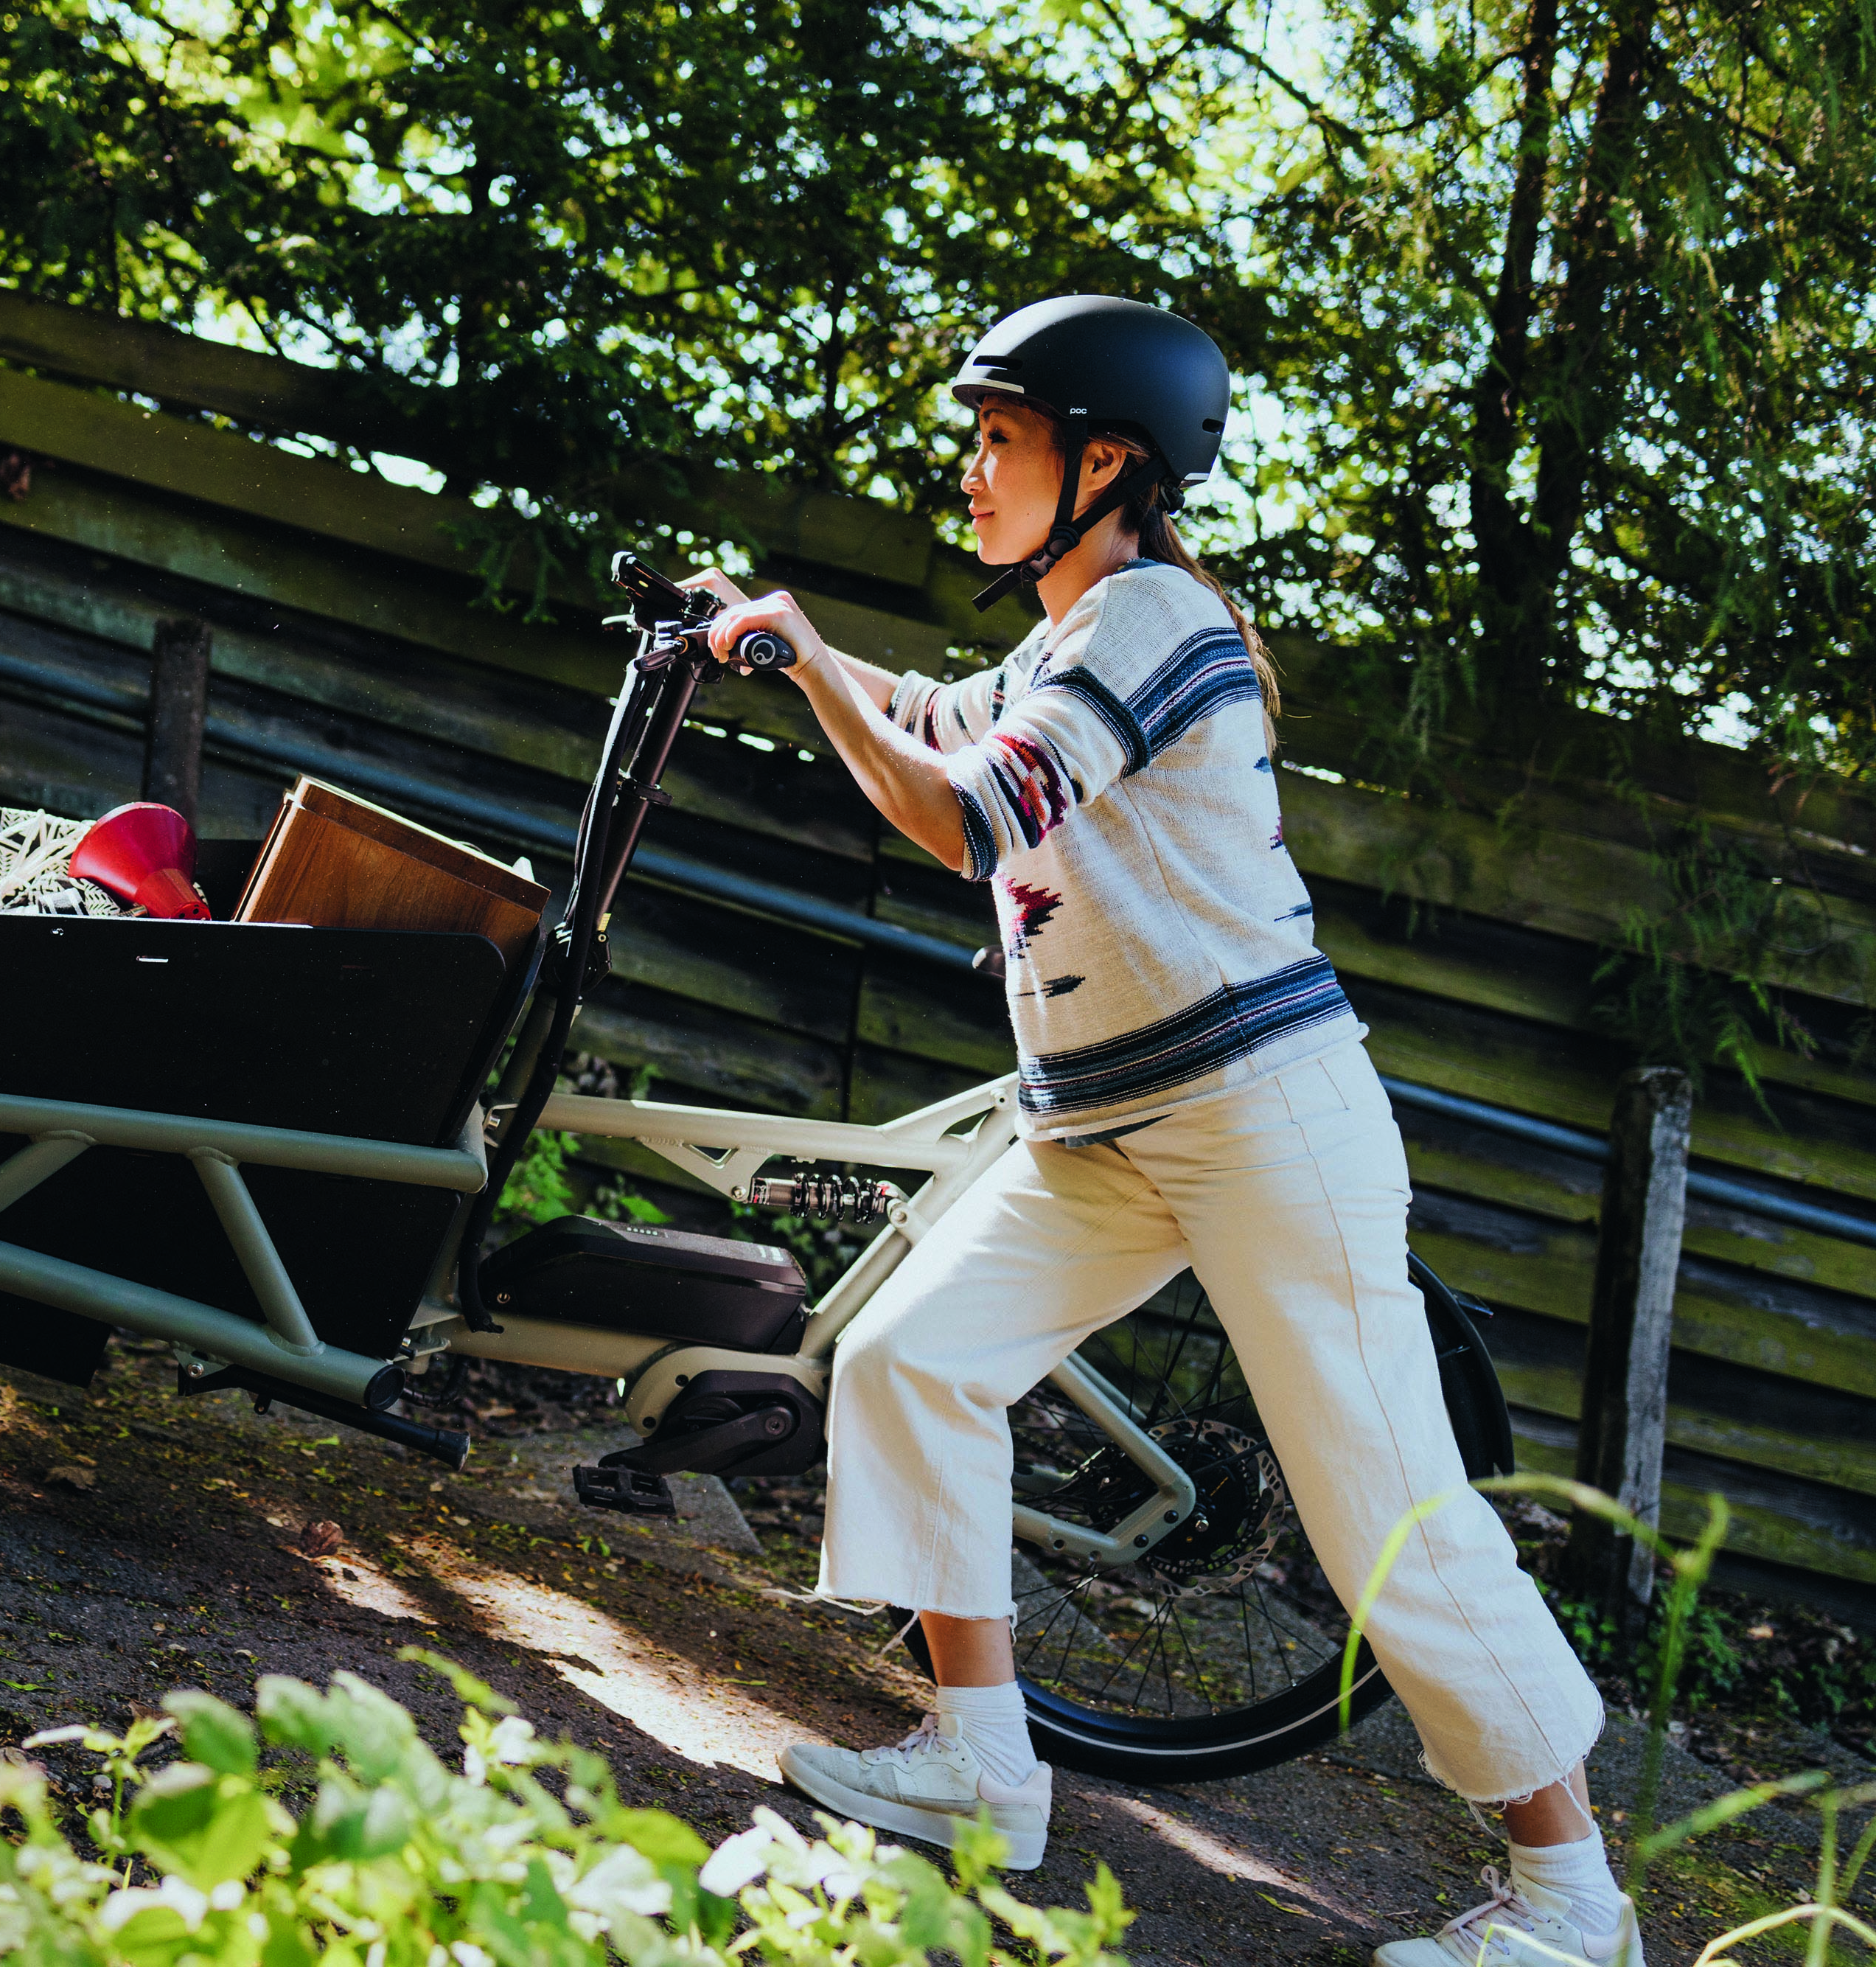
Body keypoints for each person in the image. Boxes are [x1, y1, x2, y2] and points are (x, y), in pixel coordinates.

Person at [688, 295, 1633, 1967]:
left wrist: (803, 665)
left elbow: (973, 811)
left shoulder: (1146, 617)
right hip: (1111, 1126)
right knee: (909, 1356)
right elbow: (944, 714)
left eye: (1002, 440)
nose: (970, 471)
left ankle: (1570, 1902)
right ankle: (982, 1763)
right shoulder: (1067, 636)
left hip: (1264, 1121)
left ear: (1102, 458)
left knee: (1384, 1506)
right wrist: (781, 638)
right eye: (973, 438)